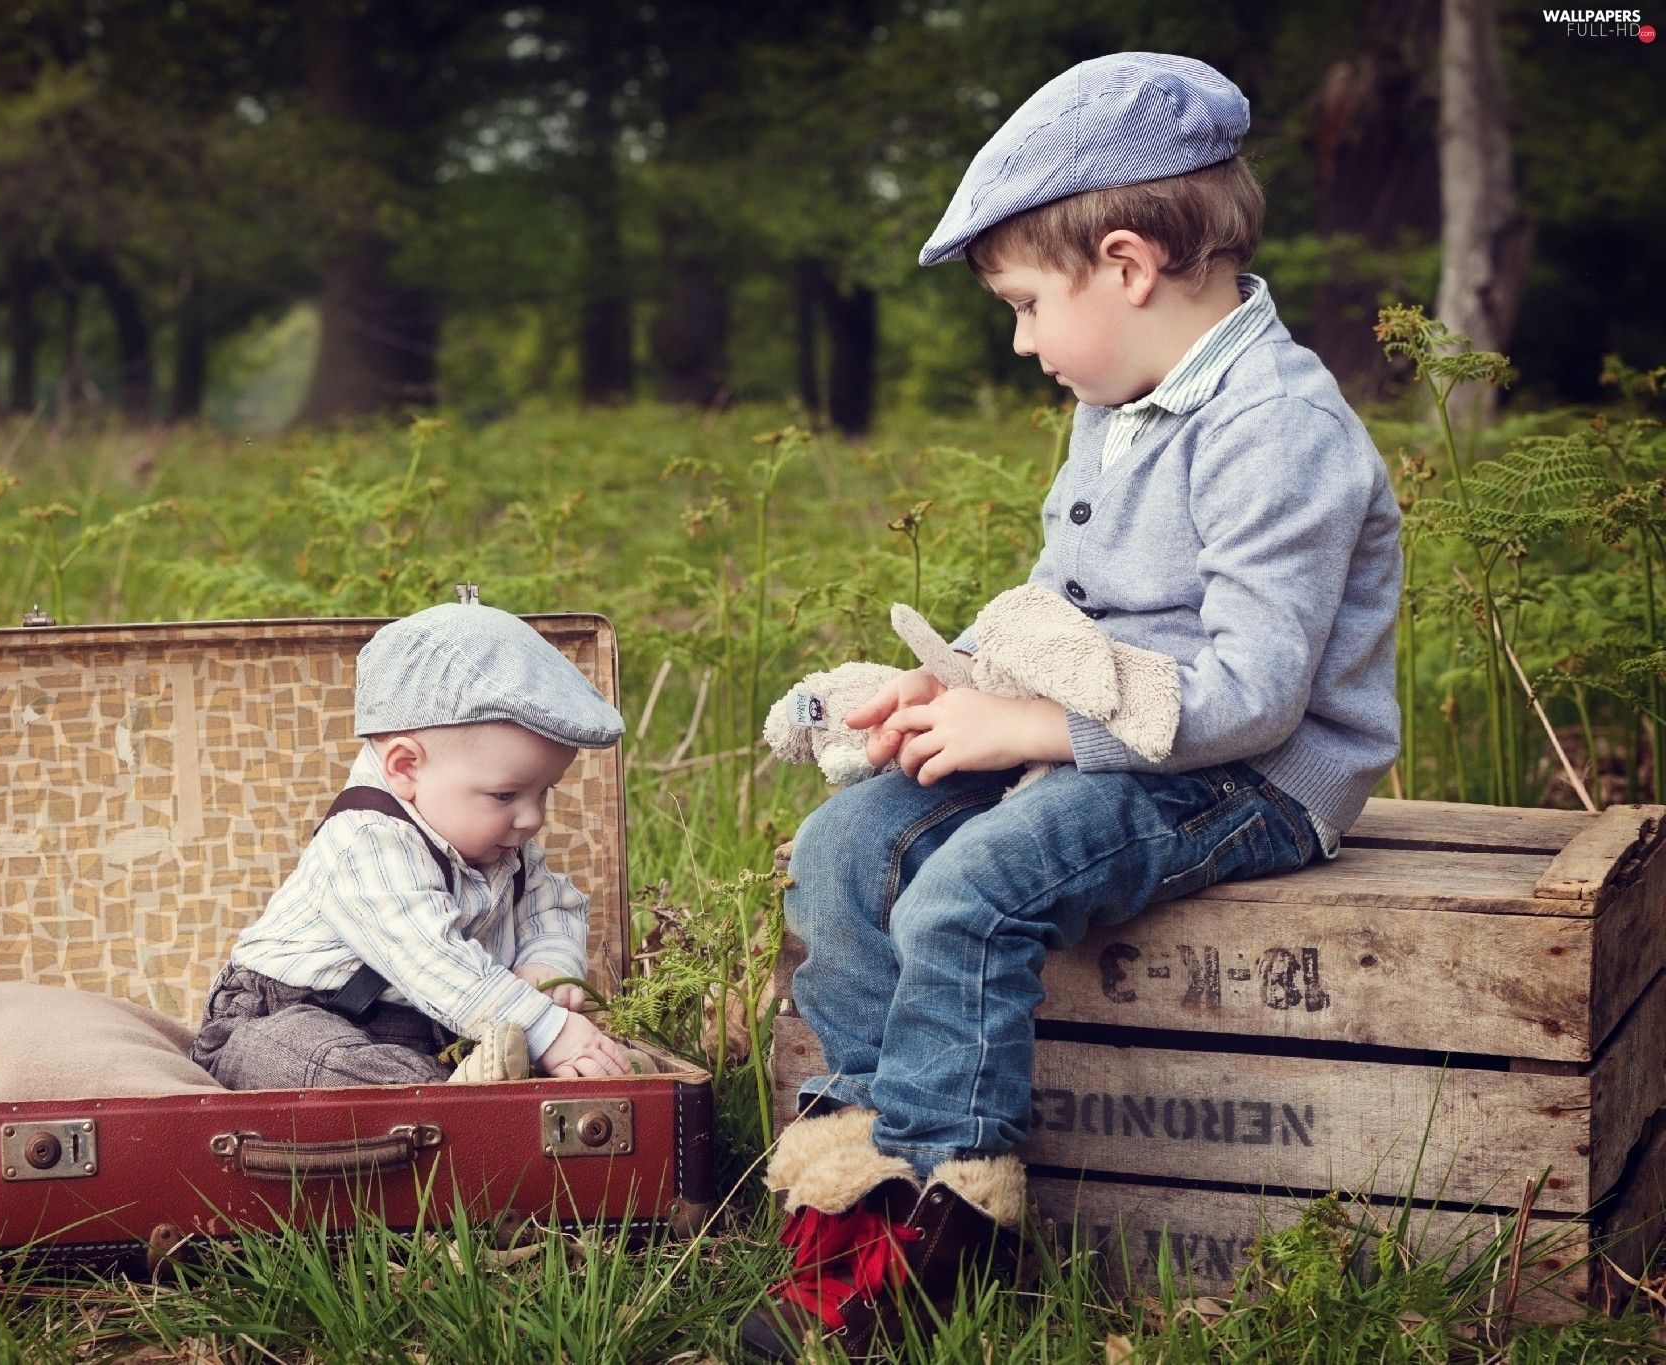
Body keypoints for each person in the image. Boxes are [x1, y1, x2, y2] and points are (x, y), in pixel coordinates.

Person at [741, 52, 1402, 1358]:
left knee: (969, 886)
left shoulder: (1277, 424)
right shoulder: (1122, 401)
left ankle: (947, 1229)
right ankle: (859, 1177)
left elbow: (1256, 695)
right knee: (842, 850)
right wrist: (965, 690)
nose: (1024, 340)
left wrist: (1031, 732)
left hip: (1249, 776)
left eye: (1030, 304)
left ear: (1128, 262)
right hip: (1109, 736)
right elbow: (1065, 604)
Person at [193, 601, 635, 1089]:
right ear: (406, 768)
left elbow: (554, 904)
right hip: (290, 1013)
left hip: (420, 1031)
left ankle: (453, 1087)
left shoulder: (502, 847)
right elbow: (430, 956)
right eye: (507, 795)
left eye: (544, 791)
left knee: (412, 1063)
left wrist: (548, 963)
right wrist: (546, 1030)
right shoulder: (364, 843)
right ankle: (448, 1093)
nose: (532, 818)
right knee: (289, 1056)